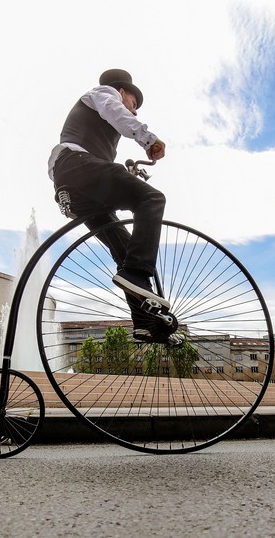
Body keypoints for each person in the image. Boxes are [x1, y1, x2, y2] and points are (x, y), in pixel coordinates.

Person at [47, 69, 179, 344]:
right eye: (133, 103)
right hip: (77, 166)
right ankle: (136, 274)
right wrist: (149, 139)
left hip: (75, 181)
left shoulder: (94, 119)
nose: (134, 111)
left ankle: (145, 323)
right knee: (152, 199)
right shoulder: (103, 94)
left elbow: (95, 162)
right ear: (121, 91)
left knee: (126, 249)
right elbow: (116, 112)